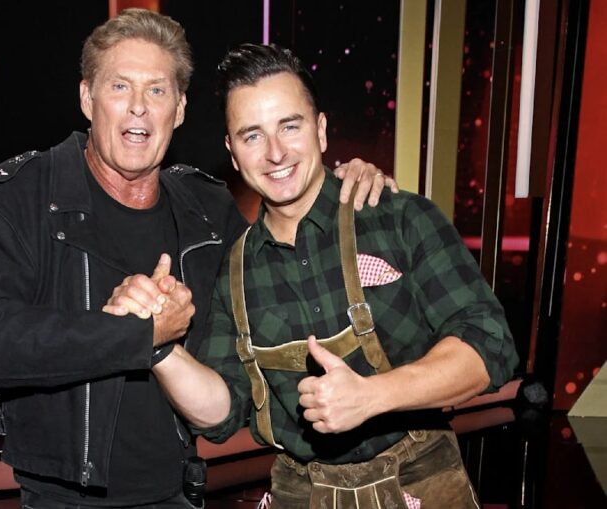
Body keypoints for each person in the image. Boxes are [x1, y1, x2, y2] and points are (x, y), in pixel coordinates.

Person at [0, 9, 395, 509]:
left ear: (179, 109)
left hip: (180, 491)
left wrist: (337, 188)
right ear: (87, 98)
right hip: (63, 498)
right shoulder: (18, 198)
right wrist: (137, 334)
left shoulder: (208, 208)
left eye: (157, 90)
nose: (138, 107)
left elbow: (283, 276)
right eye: (120, 87)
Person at [108, 43, 518, 508]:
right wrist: (158, 344)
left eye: (290, 126)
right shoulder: (236, 271)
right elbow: (220, 415)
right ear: (233, 153)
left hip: (421, 485)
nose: (275, 152)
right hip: (302, 493)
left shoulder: (400, 219)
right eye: (252, 136)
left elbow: (490, 346)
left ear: (321, 130)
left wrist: (373, 396)